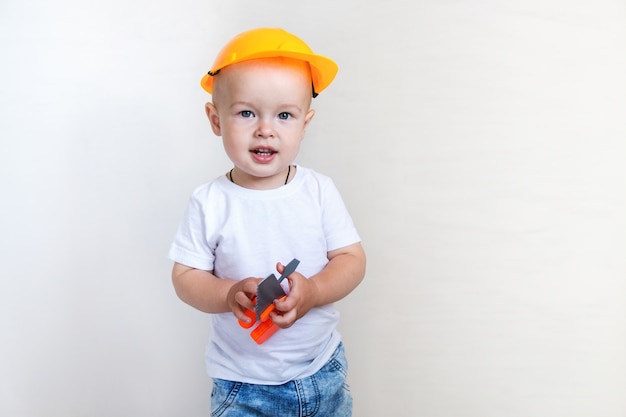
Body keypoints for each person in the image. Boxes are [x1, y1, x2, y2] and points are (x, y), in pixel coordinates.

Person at [168, 27, 366, 416]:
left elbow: (352, 260)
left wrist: (314, 292)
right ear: (215, 119)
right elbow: (186, 278)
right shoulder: (209, 202)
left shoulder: (319, 191)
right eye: (246, 112)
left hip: (320, 370)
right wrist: (227, 294)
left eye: (284, 115)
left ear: (305, 123)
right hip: (242, 385)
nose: (265, 128)